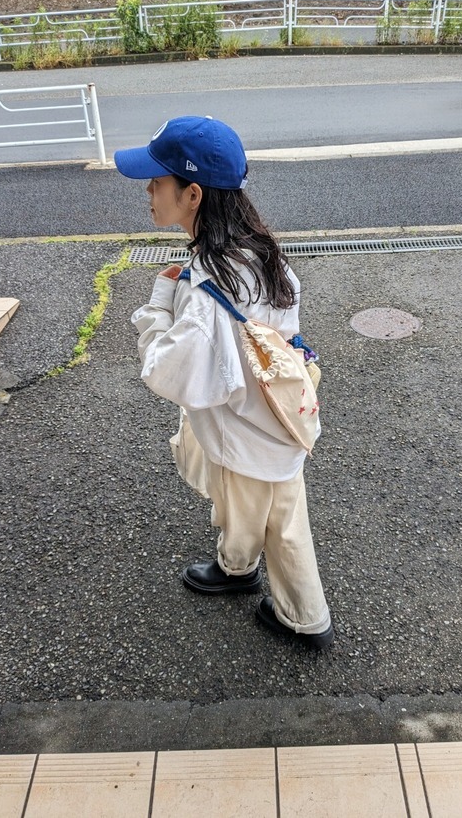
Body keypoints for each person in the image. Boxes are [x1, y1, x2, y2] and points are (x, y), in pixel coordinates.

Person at [114, 115, 333, 650]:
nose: (147, 190)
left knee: (283, 525)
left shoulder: (210, 285)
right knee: (245, 501)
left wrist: (158, 305)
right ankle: (237, 567)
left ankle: (306, 621)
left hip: (253, 428)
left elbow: (166, 369)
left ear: (192, 194)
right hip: (274, 413)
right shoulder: (253, 250)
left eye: (157, 181)